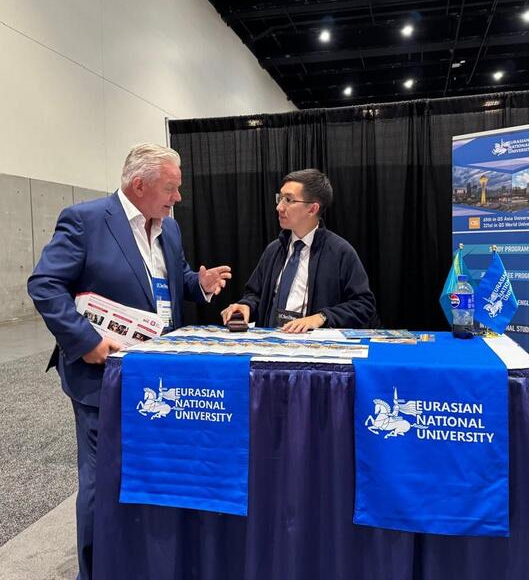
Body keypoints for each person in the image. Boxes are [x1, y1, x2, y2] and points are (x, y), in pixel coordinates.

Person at [27, 143, 231, 580]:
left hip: (157, 374)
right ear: (139, 185)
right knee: (102, 481)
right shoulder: (85, 221)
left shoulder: (169, 228)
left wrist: (199, 283)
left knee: (150, 474)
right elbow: (45, 284)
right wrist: (85, 340)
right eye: (171, 188)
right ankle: (94, 570)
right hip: (101, 375)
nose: (178, 197)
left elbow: (170, 280)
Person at [221, 168, 375, 332]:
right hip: (271, 339)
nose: (279, 207)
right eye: (280, 198)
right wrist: (246, 306)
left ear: (312, 209)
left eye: (288, 200)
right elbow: (254, 294)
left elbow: (364, 305)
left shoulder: (340, 252)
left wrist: (321, 317)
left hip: (313, 343)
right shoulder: (274, 250)